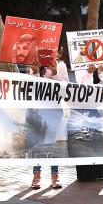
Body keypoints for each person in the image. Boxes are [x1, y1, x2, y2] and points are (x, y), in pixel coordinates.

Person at [30, 49, 69, 189]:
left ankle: (55, 175)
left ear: (58, 52)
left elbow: (66, 87)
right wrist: (34, 72)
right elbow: (32, 87)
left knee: (54, 143)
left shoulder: (61, 66)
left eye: (56, 50)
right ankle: (36, 176)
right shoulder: (36, 64)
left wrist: (55, 74)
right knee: (38, 142)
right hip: (39, 110)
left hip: (55, 108)